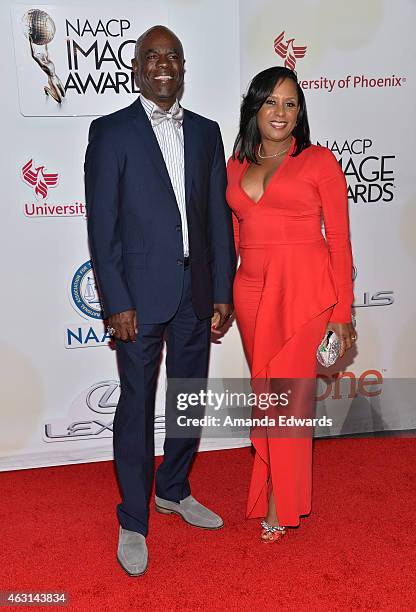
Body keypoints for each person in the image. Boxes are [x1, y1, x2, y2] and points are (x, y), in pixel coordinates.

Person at [84, 25, 236, 575]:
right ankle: (133, 518)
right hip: (137, 300)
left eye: (172, 57)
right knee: (135, 406)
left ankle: (173, 488)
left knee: (188, 398)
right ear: (137, 68)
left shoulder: (207, 132)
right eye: (152, 57)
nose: (163, 65)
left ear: (183, 66)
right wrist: (115, 299)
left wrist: (222, 289)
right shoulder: (111, 132)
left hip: (196, 293)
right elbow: (102, 228)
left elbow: (218, 220)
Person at [226, 67, 355, 542]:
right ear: (255, 108)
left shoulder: (319, 161)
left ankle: (284, 500)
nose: (280, 113)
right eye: (271, 103)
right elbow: (236, 236)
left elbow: (339, 241)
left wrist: (342, 313)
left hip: (304, 293)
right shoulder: (237, 163)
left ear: (300, 113)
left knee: (292, 402)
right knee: (268, 396)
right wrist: (225, 295)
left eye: (290, 104)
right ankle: (266, 485)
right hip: (251, 290)